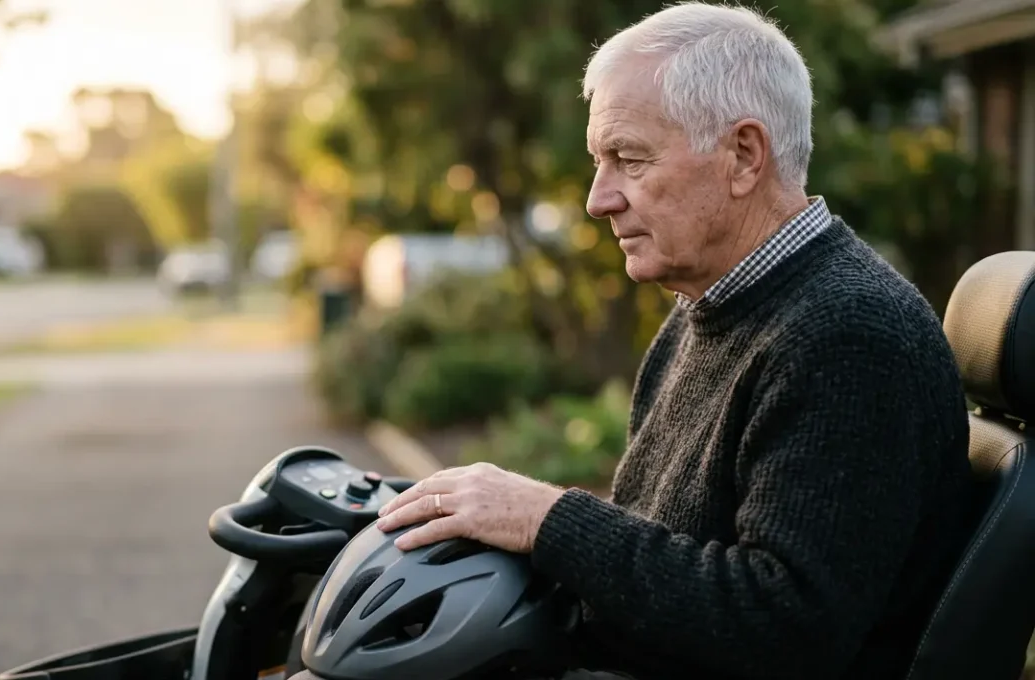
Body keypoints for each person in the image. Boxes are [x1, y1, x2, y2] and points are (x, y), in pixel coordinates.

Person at [365, 3, 975, 680]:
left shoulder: (848, 338)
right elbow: (658, 552)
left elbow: (785, 627)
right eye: (599, 162)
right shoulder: (708, 309)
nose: (598, 199)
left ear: (743, 156)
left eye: (628, 159)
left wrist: (547, 519)